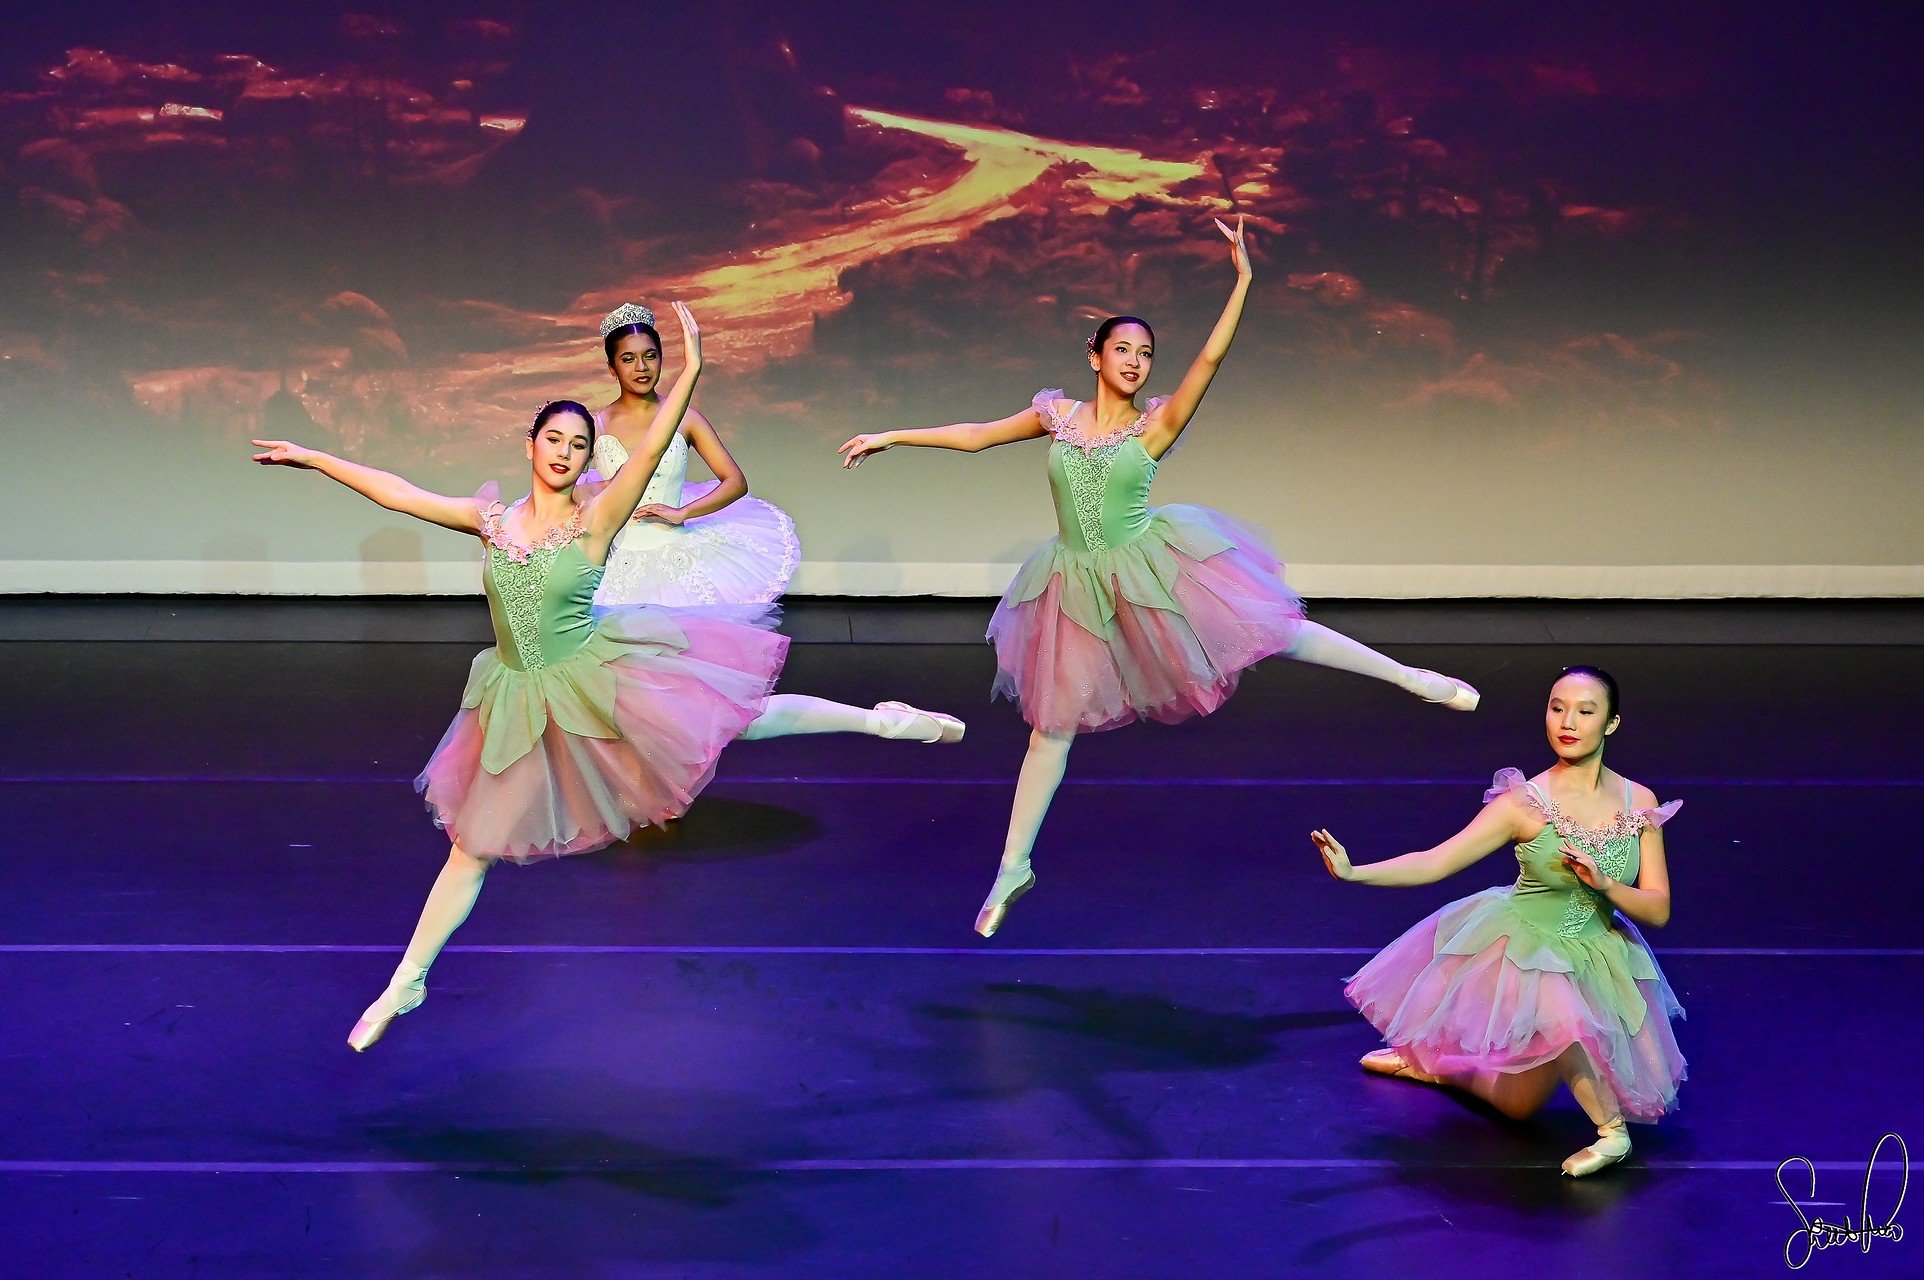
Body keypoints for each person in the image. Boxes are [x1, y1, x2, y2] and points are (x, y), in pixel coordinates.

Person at [252, 303, 963, 1051]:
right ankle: (408, 980)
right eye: (553, 439)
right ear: (530, 445)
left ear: (591, 456)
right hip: (518, 696)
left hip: (597, 677)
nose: (564, 451)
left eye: (578, 443)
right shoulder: (491, 521)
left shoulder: (595, 520)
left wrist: (692, 369)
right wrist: (316, 459)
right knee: (472, 847)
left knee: (739, 717)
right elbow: (397, 490)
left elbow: (655, 444)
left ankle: (881, 720)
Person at [838, 217, 1477, 936]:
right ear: (1094, 355)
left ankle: (1411, 678)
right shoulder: (1056, 415)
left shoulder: (1156, 425)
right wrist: (892, 435)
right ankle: (1013, 868)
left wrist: (1243, 281)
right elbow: (977, 436)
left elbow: (1210, 359)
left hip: (1152, 569)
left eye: (1146, 353)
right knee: (1051, 730)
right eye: (1123, 349)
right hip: (1074, 585)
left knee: (1276, 631)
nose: (1136, 362)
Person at [1312, 666, 1684, 1176]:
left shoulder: (1638, 802)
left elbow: (1658, 908)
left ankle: (1434, 1068)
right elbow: (1436, 861)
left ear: (1611, 723)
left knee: (1517, 1105)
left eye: (1584, 711)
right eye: (1557, 708)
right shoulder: (1524, 804)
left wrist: (1606, 885)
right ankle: (1612, 1133)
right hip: (1527, 949)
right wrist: (1356, 873)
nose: (1567, 722)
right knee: (1569, 1021)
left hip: (1597, 952)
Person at [590, 303, 798, 611]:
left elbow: (735, 482)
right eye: (628, 359)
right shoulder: (595, 424)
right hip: (613, 559)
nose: (641, 367)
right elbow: (567, 486)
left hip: (677, 556)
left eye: (650, 356)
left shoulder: (687, 419)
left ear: (662, 358)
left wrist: (684, 512)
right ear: (612, 368)